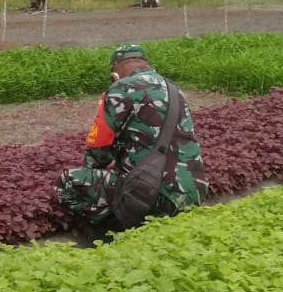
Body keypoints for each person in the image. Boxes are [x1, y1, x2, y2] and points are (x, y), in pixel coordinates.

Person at [54, 44, 209, 229]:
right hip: (195, 190)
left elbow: (98, 152)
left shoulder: (121, 88)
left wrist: (99, 170)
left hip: (154, 194)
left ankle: (118, 230)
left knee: (67, 182)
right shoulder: (175, 90)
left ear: (115, 72)